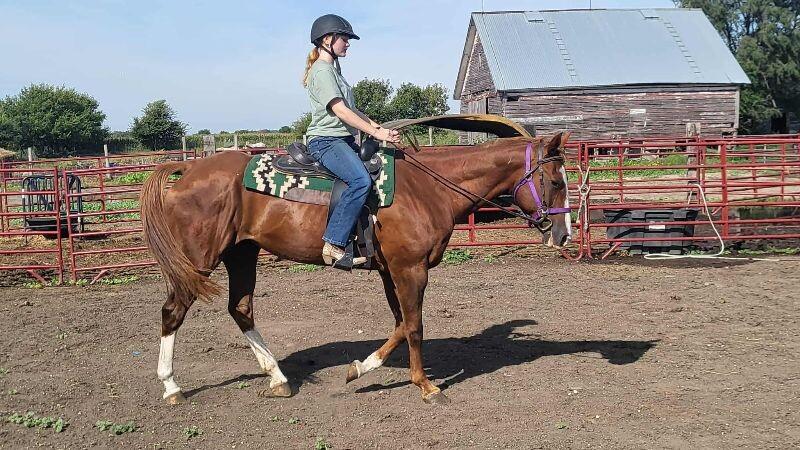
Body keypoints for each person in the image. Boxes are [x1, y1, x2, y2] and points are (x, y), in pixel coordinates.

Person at [303, 14, 401, 267]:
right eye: (344, 38)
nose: (348, 43)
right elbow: (340, 111)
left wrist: (378, 127)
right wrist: (377, 134)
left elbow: (353, 110)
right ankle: (334, 242)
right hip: (326, 140)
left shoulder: (335, 70)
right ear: (327, 39)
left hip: (342, 139)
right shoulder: (322, 71)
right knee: (359, 179)